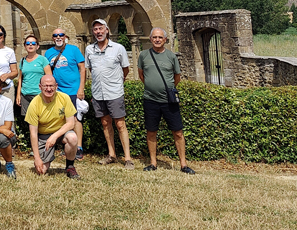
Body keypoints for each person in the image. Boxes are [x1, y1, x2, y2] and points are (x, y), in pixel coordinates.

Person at [138, 27, 194, 174]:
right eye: (154, 37)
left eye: (160, 37)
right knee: (151, 131)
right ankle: (153, 162)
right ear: (150, 39)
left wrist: (167, 89)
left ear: (165, 40)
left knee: (178, 131)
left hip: (169, 101)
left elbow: (177, 77)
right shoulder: (144, 55)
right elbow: (141, 75)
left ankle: (183, 164)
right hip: (150, 100)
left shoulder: (171, 56)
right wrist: (152, 87)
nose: (157, 40)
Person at [85, 19, 134, 169]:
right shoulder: (89, 50)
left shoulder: (118, 48)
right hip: (99, 93)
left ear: (107, 30)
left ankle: (127, 158)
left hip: (114, 92)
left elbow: (125, 69)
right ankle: (112, 154)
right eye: (95, 29)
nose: (98, 32)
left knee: (120, 124)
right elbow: (91, 69)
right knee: (105, 124)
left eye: (101, 29)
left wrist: (117, 81)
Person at [25, 75, 81, 178]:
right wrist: (37, 158)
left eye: (51, 86)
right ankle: (47, 158)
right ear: (40, 87)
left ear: (56, 86)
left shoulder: (64, 98)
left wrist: (54, 136)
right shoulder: (34, 104)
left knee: (72, 138)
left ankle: (70, 166)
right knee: (41, 171)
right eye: (45, 86)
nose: (49, 89)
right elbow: (33, 133)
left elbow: (71, 123)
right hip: (44, 136)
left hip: (61, 132)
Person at [45, 27, 86, 158]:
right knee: (62, 118)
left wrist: (81, 88)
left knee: (75, 119)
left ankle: (78, 147)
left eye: (61, 35)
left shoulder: (73, 49)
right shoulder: (48, 53)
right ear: (52, 38)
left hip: (73, 90)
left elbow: (83, 69)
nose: (58, 37)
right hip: (58, 91)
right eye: (55, 35)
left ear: (65, 37)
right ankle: (68, 146)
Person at [16, 34, 51, 118]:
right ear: (25, 46)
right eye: (28, 43)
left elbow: (49, 77)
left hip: (39, 94)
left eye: (33, 43)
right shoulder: (22, 61)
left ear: (37, 46)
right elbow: (20, 79)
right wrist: (18, 95)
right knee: (28, 120)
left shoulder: (43, 60)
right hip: (25, 95)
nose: (30, 45)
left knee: (41, 118)